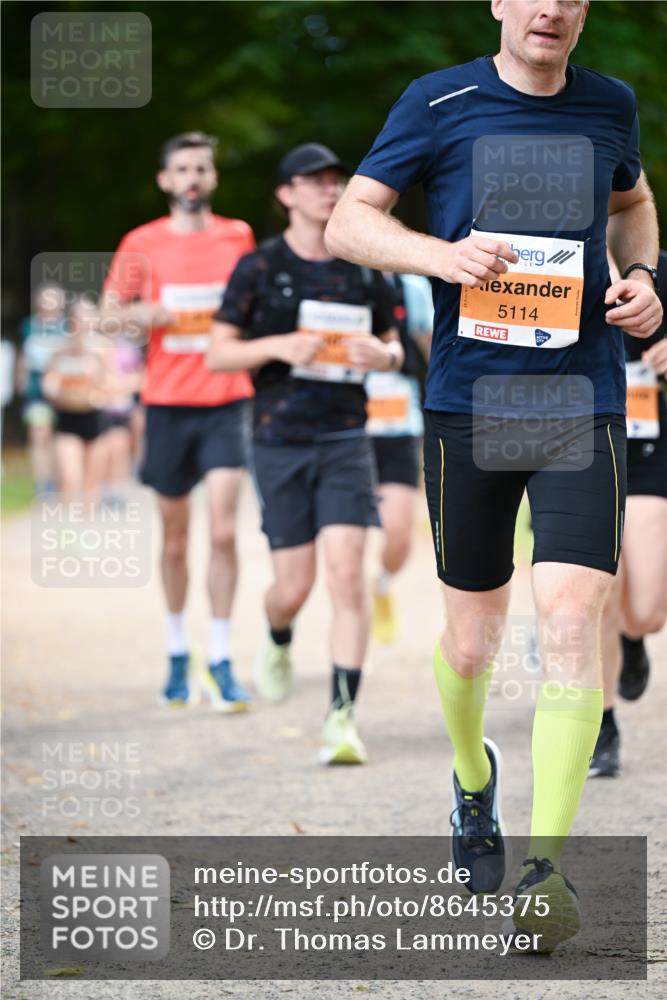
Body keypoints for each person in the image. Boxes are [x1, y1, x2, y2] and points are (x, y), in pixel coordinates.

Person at [325, 0, 662, 950]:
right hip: (468, 406)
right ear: (500, 5)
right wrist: (443, 256)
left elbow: (631, 205)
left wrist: (642, 284)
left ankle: (546, 872)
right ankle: (474, 783)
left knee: (568, 620)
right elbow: (353, 221)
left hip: (579, 399)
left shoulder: (609, 105)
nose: (550, 9)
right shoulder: (440, 102)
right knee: (471, 644)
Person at [208, 143, 400, 764]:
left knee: (347, 573)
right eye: (313, 182)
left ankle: (342, 718)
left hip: (346, 438)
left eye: (334, 181)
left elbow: (394, 348)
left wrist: (385, 356)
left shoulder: (365, 269)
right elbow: (218, 354)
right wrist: (279, 345)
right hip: (278, 440)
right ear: (286, 194)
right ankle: (279, 634)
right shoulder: (258, 267)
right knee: (294, 583)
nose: (327, 190)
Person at [102, 132, 255, 710]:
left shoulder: (237, 236)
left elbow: (253, 304)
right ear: (165, 181)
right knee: (174, 540)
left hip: (227, 399)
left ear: (213, 179)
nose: (192, 177)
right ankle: (175, 650)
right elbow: (110, 318)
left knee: (221, 531)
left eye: (202, 169)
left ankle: (220, 655)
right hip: (166, 404)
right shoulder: (140, 242)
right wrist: (143, 313)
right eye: (182, 169)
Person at [592, 249, 667, 777]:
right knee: (592, 591)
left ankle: (632, 637)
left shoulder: (661, 269)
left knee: (645, 609)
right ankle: (602, 726)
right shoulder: (549, 260)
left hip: (648, 451)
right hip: (577, 446)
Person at [368, 272, 433, 643]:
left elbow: (430, 348)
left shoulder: (413, 289)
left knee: (398, 536)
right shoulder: (333, 278)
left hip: (400, 426)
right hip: (345, 428)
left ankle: (381, 585)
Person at [42, 297, 111, 503]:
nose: (85, 322)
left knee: (91, 486)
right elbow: (50, 383)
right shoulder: (60, 350)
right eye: (80, 317)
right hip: (67, 418)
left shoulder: (103, 350)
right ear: (72, 320)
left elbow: (113, 385)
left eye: (89, 317)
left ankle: (87, 529)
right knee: (70, 479)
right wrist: (55, 391)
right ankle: (66, 530)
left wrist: (98, 390)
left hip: (95, 419)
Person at [18, 283, 68, 497]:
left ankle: (62, 481)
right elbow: (23, 356)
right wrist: (19, 379)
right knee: (39, 434)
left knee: (62, 438)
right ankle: (42, 483)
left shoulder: (68, 327)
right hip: (36, 392)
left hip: (65, 393)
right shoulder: (28, 326)